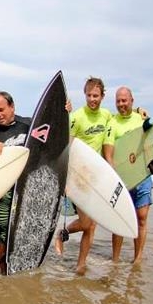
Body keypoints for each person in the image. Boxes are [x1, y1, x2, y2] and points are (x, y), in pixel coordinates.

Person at [103, 86, 153, 265]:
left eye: (124, 100)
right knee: (120, 219)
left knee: (142, 218)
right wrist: (115, 176)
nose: (121, 104)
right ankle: (115, 260)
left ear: (132, 101)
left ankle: (137, 259)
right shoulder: (112, 123)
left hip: (143, 176)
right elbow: (108, 153)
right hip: (122, 179)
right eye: (118, 101)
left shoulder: (141, 120)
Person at [57, 77, 111, 275]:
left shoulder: (106, 116)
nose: (92, 99)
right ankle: (62, 234)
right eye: (89, 95)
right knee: (86, 222)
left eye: (96, 96)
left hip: (97, 175)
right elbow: (67, 147)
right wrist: (65, 176)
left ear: (103, 96)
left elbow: (115, 137)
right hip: (79, 174)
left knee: (91, 226)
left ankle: (81, 264)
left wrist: (139, 113)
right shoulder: (77, 117)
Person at [0, 91, 31, 274]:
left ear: (12, 107)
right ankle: (4, 273)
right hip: (4, 191)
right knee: (3, 236)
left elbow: (50, 137)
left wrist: (64, 111)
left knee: (24, 232)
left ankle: (24, 271)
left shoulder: (28, 124)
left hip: (26, 188)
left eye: (1, 109)